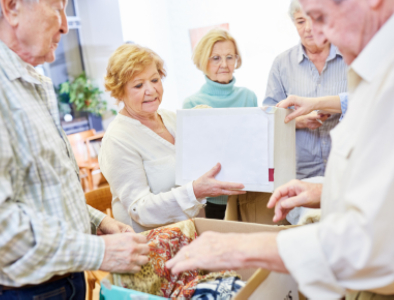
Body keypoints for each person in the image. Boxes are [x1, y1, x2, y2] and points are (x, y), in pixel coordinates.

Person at [167, 0, 394, 298]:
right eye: (306, 21)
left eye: (322, 17)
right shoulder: (370, 69)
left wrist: (248, 247)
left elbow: (375, 246)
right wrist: (324, 192)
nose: (319, 36)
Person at [0, 0, 149, 298]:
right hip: (16, 291)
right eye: (57, 7)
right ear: (12, 7)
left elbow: (44, 191)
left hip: (59, 282)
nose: (65, 24)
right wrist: (97, 251)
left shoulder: (28, 77)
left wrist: (96, 221)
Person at [99, 44, 244, 233]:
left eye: (155, 79)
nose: (151, 90)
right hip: (153, 247)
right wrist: (195, 192)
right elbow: (140, 209)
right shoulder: (117, 139)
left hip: (194, 233)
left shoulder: (172, 119)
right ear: (120, 91)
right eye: (138, 85)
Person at [263, 0, 348, 180]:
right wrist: (300, 121)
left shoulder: (350, 56)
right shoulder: (281, 64)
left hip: (347, 169)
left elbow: (365, 105)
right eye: (301, 21)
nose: (309, 27)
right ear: (294, 23)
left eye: (315, 19)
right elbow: (268, 120)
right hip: (299, 174)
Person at [183, 28, 257, 220]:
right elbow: (194, 159)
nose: (224, 64)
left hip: (247, 193)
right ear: (203, 61)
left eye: (229, 57)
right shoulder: (191, 104)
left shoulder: (249, 97)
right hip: (212, 200)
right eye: (215, 58)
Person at [276, 94, 348, 123]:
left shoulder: (351, 63)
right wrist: (298, 122)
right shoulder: (280, 64)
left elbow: (356, 100)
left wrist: (315, 104)